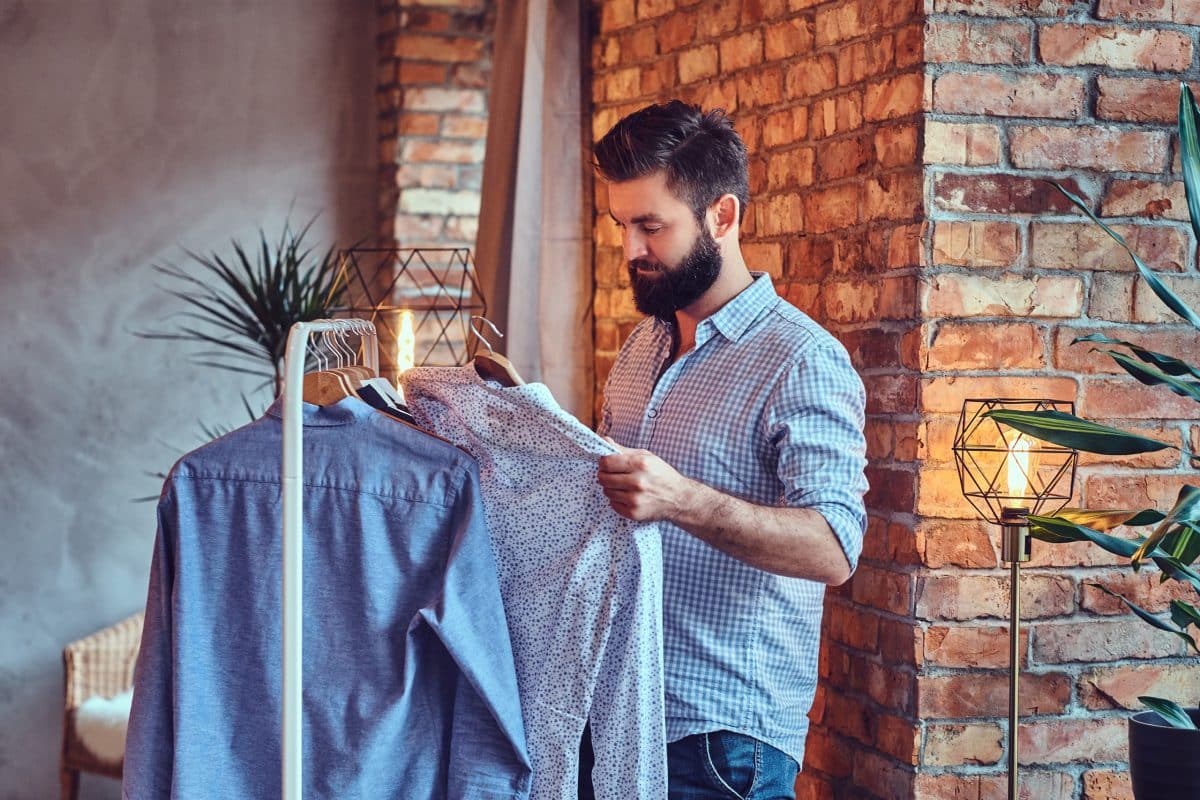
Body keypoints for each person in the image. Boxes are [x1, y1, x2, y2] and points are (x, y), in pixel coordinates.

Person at [590, 100, 869, 799]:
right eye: (622, 226)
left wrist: (679, 500)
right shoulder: (638, 348)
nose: (630, 250)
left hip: (721, 742)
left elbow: (834, 548)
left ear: (722, 216)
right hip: (618, 713)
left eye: (651, 226)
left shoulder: (801, 359)